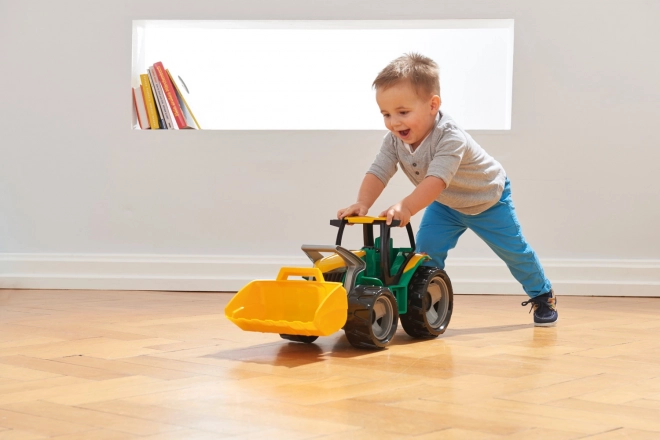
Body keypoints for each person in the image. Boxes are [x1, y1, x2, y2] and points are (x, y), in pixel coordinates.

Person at [336, 53, 557, 326]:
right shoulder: (393, 141)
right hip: (445, 205)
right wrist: (362, 203)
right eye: (386, 114)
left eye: (403, 112)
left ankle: (542, 294)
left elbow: (436, 180)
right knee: (425, 254)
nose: (394, 122)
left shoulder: (450, 136)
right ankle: (423, 302)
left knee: (515, 252)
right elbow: (379, 171)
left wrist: (406, 206)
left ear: (433, 105)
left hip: (487, 201)